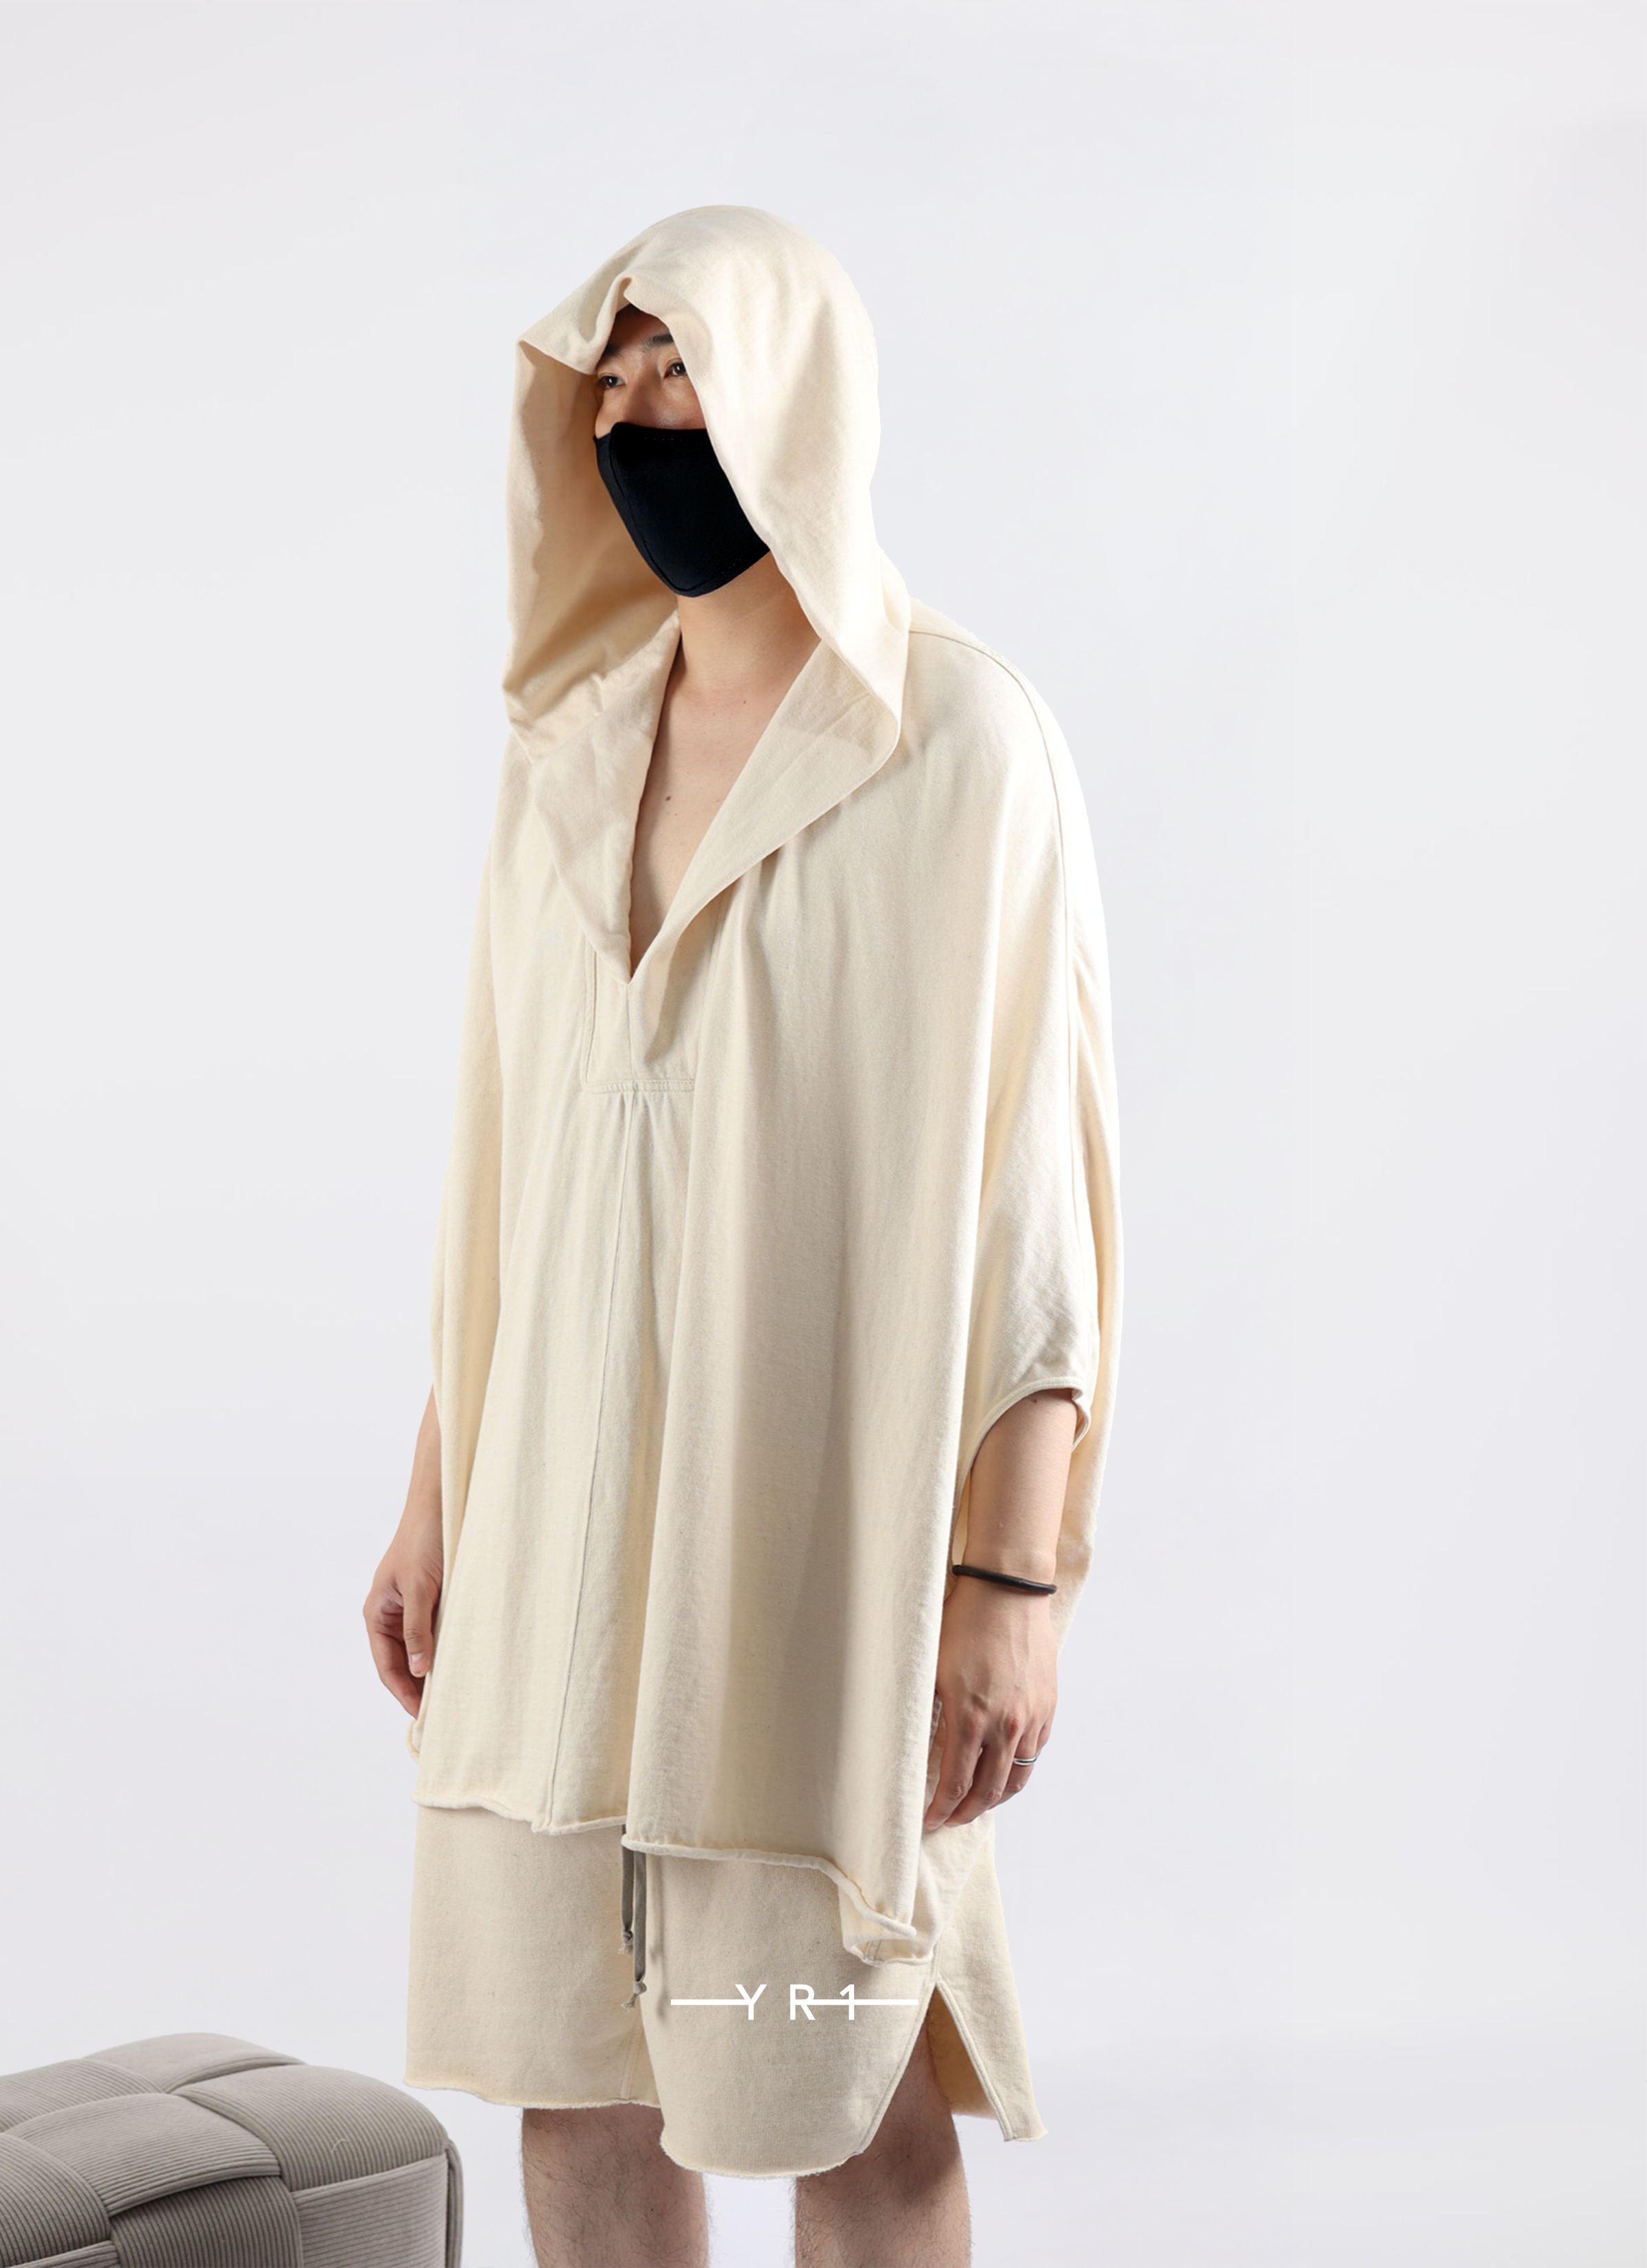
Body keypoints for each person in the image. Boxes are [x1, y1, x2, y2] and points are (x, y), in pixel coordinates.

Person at [364, 204, 1122, 2267]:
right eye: (610, 379)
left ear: (802, 393)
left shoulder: (960, 744)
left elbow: (1035, 1195)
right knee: (580, 2075)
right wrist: (438, 1497)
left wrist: (1012, 1580)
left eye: (682, 369)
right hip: (550, 1540)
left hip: (808, 1567)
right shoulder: (562, 755)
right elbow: (515, 1176)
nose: (639, 419)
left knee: (836, 2077)